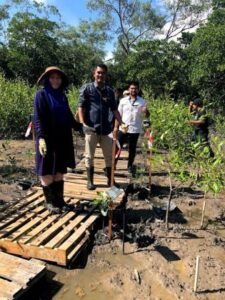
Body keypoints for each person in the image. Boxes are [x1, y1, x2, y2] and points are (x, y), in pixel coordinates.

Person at [34, 66, 82, 213]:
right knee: (47, 170)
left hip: (62, 139)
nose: (56, 80)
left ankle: (59, 201)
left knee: (59, 171)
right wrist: (41, 137)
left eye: (58, 78)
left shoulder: (62, 96)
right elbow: (37, 117)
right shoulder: (41, 95)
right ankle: (49, 202)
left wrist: (79, 126)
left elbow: (67, 115)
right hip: (47, 139)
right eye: (52, 77)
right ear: (47, 79)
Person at [78, 64, 122, 190]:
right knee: (89, 156)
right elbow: (81, 107)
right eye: (98, 72)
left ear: (106, 75)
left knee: (109, 156)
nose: (100, 75)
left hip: (106, 130)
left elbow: (114, 110)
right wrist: (82, 124)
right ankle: (90, 181)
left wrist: (122, 122)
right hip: (91, 128)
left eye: (103, 73)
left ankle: (110, 180)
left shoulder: (109, 91)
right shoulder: (87, 89)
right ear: (94, 74)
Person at [115, 82, 150, 173]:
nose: (133, 90)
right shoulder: (123, 101)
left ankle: (130, 166)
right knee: (117, 147)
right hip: (123, 128)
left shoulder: (142, 101)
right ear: (129, 89)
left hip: (135, 129)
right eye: (132, 88)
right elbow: (118, 114)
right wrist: (115, 128)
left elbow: (146, 115)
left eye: (135, 88)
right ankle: (113, 164)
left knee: (132, 149)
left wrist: (145, 111)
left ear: (138, 90)